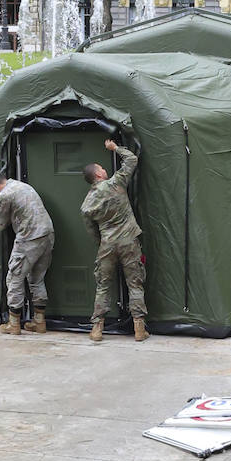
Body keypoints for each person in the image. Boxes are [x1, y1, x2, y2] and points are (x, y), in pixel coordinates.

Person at [81, 138, 148, 343]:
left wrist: (102, 243)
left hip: (107, 245)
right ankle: (139, 328)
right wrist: (114, 148)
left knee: (103, 285)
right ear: (99, 174)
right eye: (101, 168)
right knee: (135, 283)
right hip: (129, 241)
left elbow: (91, 229)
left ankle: (97, 329)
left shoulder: (87, 203)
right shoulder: (116, 183)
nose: (104, 169)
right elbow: (131, 160)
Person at [0, 172, 55, 336]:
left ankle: (14, 324)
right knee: (36, 279)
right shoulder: (23, 186)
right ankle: (39, 323)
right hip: (48, 234)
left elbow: (0, 224)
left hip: (29, 238)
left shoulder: (5, 194)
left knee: (14, 278)